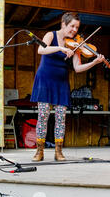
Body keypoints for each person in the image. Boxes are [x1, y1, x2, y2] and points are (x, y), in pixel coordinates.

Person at [31, 12, 105, 161]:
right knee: (43, 115)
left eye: (77, 27)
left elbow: (78, 68)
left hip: (61, 82)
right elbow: (41, 50)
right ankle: (39, 150)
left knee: (60, 117)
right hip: (45, 80)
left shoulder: (75, 44)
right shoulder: (50, 35)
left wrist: (94, 63)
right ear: (63, 24)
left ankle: (58, 151)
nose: (74, 30)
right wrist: (60, 49)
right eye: (72, 26)